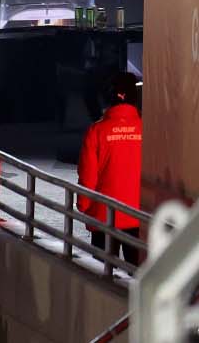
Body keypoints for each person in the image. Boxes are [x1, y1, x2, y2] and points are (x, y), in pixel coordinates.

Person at [78, 72, 144, 266]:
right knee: (136, 278)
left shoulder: (96, 131)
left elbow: (88, 175)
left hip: (103, 216)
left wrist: (83, 205)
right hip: (137, 217)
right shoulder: (145, 129)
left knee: (102, 279)